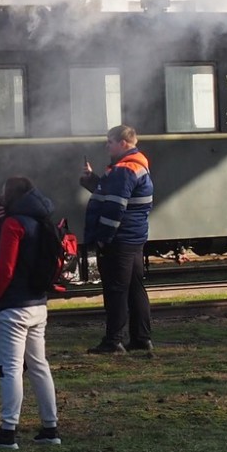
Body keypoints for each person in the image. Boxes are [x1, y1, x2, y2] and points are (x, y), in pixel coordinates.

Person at [0, 176, 63, 449]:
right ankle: (51, 428)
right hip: (38, 304)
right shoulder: (41, 220)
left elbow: (5, 268)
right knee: (39, 366)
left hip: (13, 307)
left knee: (10, 369)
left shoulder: (13, 224)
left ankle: (8, 431)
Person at [79, 125, 155, 356]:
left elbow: (114, 208)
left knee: (115, 290)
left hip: (120, 240)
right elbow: (117, 194)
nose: (106, 146)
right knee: (134, 288)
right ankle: (142, 339)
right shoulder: (136, 165)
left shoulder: (124, 169)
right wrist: (93, 181)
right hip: (134, 238)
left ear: (123, 143)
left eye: (109, 142)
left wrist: (103, 238)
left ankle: (113, 342)